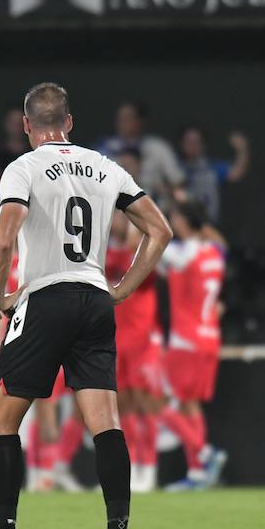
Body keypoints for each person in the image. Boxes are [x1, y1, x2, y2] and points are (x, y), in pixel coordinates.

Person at [0, 82, 172, 529]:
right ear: (69, 123)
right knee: (106, 422)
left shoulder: (23, 167)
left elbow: (3, 238)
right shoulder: (106, 166)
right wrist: (124, 287)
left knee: (0, 419)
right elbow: (160, 230)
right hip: (94, 301)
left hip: (45, 297)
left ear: (28, 126)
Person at [159, 201, 229, 491]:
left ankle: (204, 452)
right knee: (190, 406)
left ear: (185, 222)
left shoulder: (183, 253)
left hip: (185, 341)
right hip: (209, 338)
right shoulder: (214, 252)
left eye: (175, 217)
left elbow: (158, 247)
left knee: (156, 401)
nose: (172, 223)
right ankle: (198, 474)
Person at [105, 196, 165, 494]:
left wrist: (134, 230)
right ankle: (135, 466)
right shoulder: (106, 253)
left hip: (143, 338)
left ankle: (149, 467)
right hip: (120, 337)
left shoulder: (145, 253)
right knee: (125, 404)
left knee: (145, 404)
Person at [95, 101, 183, 206]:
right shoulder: (104, 149)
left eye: (128, 118)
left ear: (140, 121)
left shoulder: (158, 147)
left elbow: (178, 181)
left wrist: (164, 189)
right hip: (115, 210)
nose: (123, 122)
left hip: (155, 208)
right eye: (120, 118)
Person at [176, 126, 249, 225]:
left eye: (197, 142)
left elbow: (235, 173)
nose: (192, 145)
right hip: (181, 228)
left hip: (208, 226)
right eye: (188, 141)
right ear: (181, 143)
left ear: (203, 145)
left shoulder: (211, 167)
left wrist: (242, 150)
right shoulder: (173, 167)